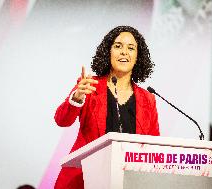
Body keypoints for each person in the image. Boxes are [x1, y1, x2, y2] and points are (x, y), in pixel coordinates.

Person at [54, 26, 160, 189]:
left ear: (137, 57)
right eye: (118, 46)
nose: (124, 52)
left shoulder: (148, 99)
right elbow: (62, 120)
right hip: (84, 180)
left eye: (131, 48)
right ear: (108, 52)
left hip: (129, 182)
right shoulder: (89, 86)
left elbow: (154, 149)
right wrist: (76, 99)